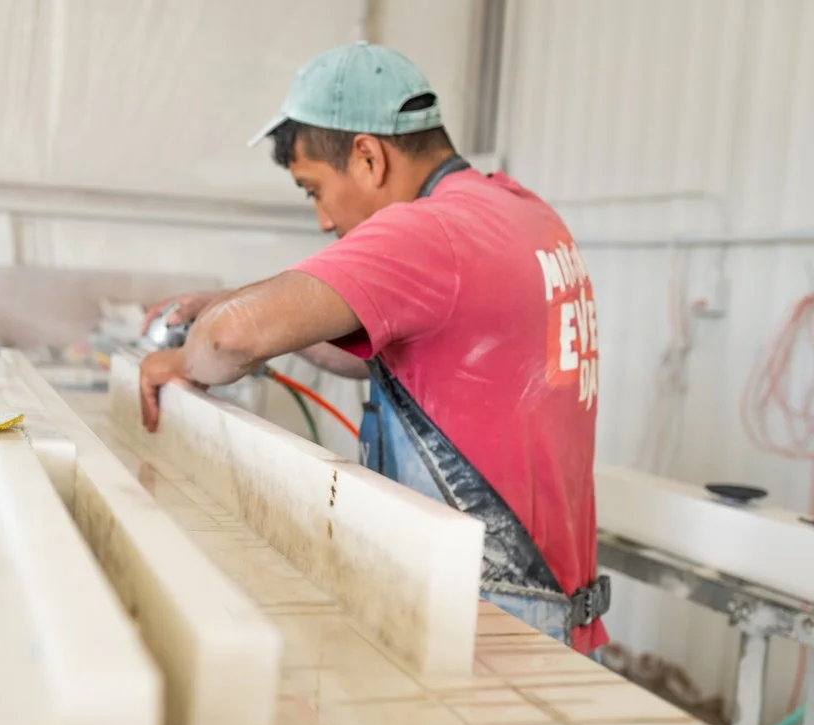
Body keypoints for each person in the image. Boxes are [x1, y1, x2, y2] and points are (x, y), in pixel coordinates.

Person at [136, 42, 608, 654]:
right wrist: (246, 307)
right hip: (557, 607)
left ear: (367, 156)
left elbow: (230, 340)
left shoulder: (431, 229)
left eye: (314, 189)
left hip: (493, 616)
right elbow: (385, 348)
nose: (323, 221)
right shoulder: (516, 211)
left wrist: (180, 358)